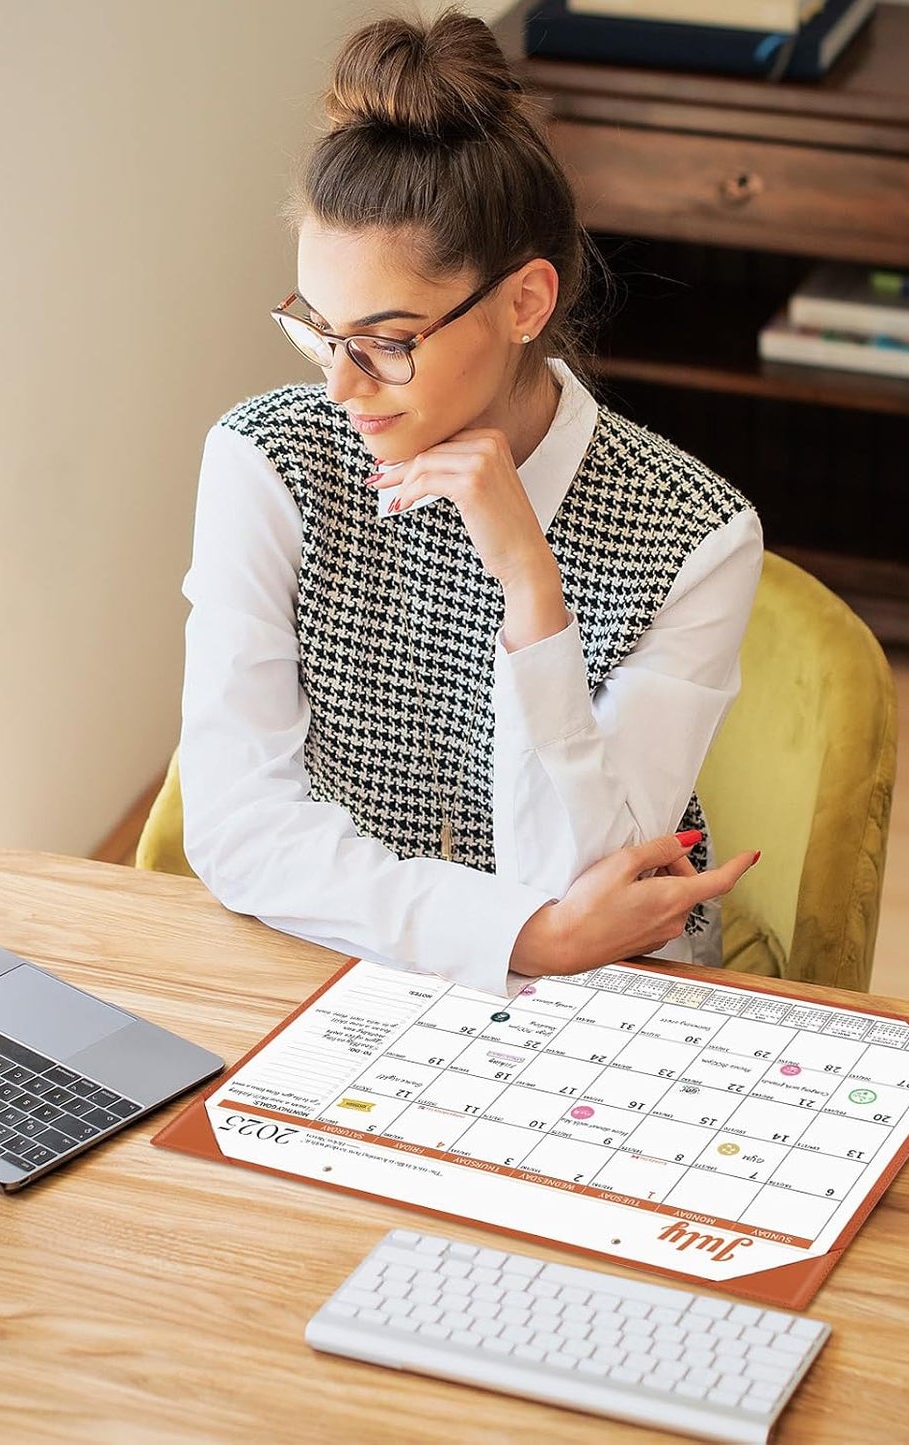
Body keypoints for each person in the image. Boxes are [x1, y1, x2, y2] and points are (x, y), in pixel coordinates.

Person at [178, 8, 762, 997]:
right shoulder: (267, 460)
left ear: (523, 303)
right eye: (319, 329)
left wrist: (531, 589)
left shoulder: (696, 534)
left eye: (386, 340)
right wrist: (522, 937)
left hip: (605, 997)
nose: (341, 386)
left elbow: (592, 885)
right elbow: (238, 829)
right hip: (334, 960)